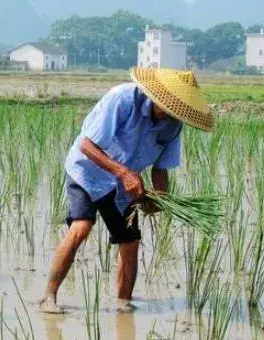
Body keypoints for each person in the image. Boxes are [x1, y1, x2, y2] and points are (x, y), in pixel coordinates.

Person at [39, 67, 214, 313]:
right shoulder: (123, 99)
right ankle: (49, 297)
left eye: (176, 112)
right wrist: (123, 173)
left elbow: (161, 168)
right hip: (87, 170)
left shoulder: (173, 125)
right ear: (157, 96)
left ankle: (123, 304)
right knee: (81, 227)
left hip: (123, 185)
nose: (169, 116)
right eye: (168, 108)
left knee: (130, 241)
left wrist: (160, 198)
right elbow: (86, 145)